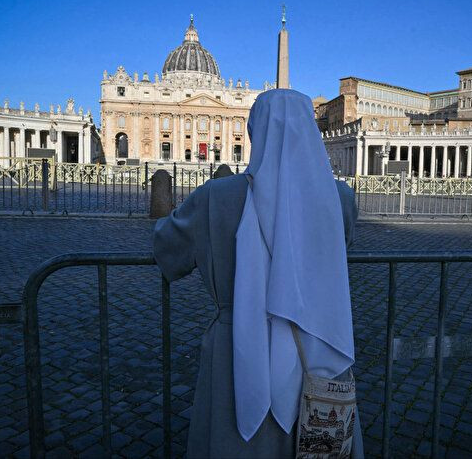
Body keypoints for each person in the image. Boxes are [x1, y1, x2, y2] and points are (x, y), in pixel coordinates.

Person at [153, 89, 364, 458]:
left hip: (234, 347)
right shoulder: (340, 199)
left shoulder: (214, 197)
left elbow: (167, 251)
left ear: (254, 132)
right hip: (316, 344)